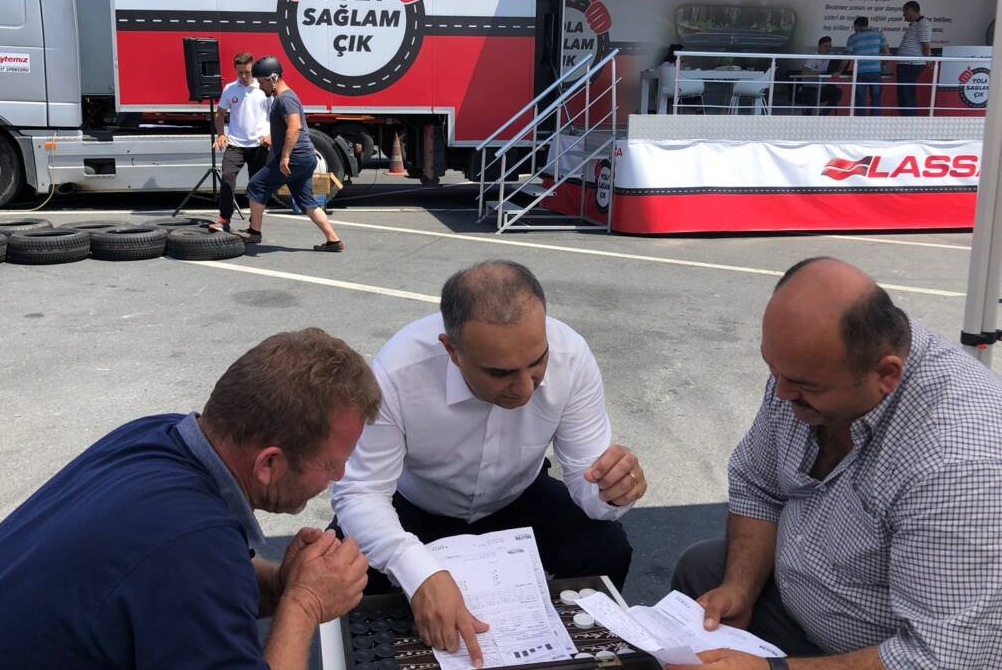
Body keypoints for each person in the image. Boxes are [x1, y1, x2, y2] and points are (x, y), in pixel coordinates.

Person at [0, 329, 382, 670]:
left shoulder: (158, 436)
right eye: (331, 464)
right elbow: (188, 564)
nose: (340, 476)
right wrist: (304, 603)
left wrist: (281, 583)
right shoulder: (192, 545)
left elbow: (176, 576)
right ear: (269, 463)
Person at [668, 257, 1002, 670]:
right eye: (773, 369)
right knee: (702, 572)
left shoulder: (959, 465)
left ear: (886, 375)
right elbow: (758, 484)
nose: (781, 393)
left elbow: (941, 658)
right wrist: (741, 587)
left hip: (883, 651)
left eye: (804, 386)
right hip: (805, 596)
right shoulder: (812, 367)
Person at [332, 260, 646, 668]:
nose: (525, 388)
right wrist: (418, 573)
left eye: (537, 362)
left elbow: (588, 479)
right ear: (452, 351)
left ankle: (577, 655)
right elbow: (361, 492)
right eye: (501, 373)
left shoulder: (572, 355)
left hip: (518, 496)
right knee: (340, 571)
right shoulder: (398, 371)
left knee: (607, 546)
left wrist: (613, 491)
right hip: (414, 506)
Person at [219, 56, 343, 251]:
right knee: (306, 201)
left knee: (256, 185)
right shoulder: (283, 97)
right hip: (304, 159)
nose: (261, 87)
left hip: (295, 158)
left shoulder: (285, 99)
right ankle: (333, 240)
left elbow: (294, 127)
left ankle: (254, 231)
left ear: (273, 78)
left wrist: (285, 157)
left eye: (262, 82)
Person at [212, 51, 272, 233]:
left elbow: (276, 115)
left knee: (256, 185)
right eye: (240, 73)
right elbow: (220, 114)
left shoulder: (264, 89)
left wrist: (271, 135)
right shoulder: (230, 89)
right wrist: (220, 135)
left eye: (247, 72)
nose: (244, 76)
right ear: (235, 71)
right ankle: (224, 219)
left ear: (253, 70)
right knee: (227, 177)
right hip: (236, 144)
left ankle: (254, 223)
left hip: (259, 145)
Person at [843, 17, 889, 116]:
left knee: (860, 99)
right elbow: (886, 50)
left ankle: (861, 121)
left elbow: (846, 57)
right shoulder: (878, 34)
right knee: (876, 98)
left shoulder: (852, 38)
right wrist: (884, 64)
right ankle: (874, 121)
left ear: (856, 26)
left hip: (860, 72)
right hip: (875, 71)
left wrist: (839, 70)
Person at [895, 0, 933, 116]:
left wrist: (928, 60)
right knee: (905, 94)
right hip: (907, 64)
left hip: (911, 65)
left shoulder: (922, 23)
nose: (903, 15)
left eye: (905, 12)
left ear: (911, 10)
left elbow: (926, 45)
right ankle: (907, 118)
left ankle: (909, 120)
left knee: (906, 95)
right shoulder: (916, 24)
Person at [796, 37, 842, 115]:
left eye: (830, 46)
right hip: (809, 87)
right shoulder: (813, 57)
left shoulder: (832, 57)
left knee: (837, 92)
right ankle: (808, 115)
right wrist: (817, 73)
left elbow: (840, 65)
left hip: (823, 87)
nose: (828, 49)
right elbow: (804, 71)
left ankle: (823, 115)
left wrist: (838, 72)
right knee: (814, 92)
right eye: (826, 46)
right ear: (819, 47)